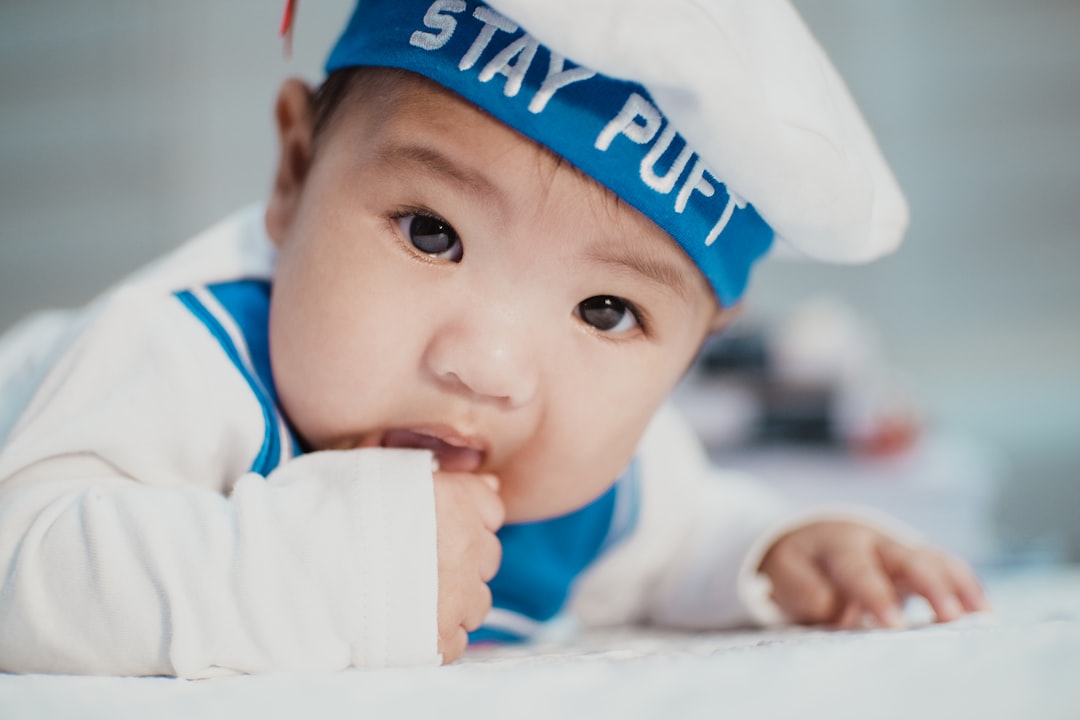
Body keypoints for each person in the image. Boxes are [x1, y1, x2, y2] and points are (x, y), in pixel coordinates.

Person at [0, 0, 988, 678]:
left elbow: (679, 535)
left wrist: (777, 553)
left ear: (690, 352)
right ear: (294, 174)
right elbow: (24, 566)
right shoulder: (183, 360)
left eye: (607, 312)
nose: (487, 365)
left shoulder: (608, 476)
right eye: (431, 233)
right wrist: (340, 572)